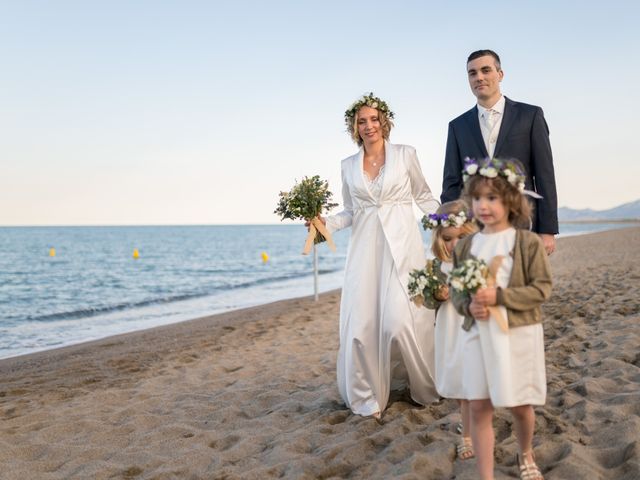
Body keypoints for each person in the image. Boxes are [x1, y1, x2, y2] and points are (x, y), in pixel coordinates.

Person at [316, 92, 440, 418]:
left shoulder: (405, 154)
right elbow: (349, 211)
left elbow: (424, 196)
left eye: (373, 119)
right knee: (362, 326)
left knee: (400, 322)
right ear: (354, 128)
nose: (368, 126)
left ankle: (422, 385)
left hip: (403, 250)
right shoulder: (347, 166)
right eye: (361, 121)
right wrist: (322, 224)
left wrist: (448, 224)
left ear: (384, 121)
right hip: (365, 254)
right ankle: (366, 397)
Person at [451, 157, 552, 480]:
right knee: (480, 406)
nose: (483, 205)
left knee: (520, 405)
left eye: (492, 198)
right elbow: (456, 291)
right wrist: (469, 306)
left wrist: (501, 298)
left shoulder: (526, 243)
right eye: (478, 198)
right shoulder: (466, 246)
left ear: (511, 200)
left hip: (517, 335)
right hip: (477, 334)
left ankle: (525, 453)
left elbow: (541, 288)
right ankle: (486, 475)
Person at [441, 49, 558, 255]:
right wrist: (454, 227)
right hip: (476, 229)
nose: (479, 77)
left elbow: (545, 176)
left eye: (486, 70)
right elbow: (451, 184)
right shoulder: (457, 127)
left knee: (521, 285)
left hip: (523, 224)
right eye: (473, 73)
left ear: (500, 74)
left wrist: (547, 230)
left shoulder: (530, 116)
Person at [423, 200, 478, 460]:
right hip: (449, 328)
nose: (454, 244)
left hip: (473, 326)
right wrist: (438, 294)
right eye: (447, 238)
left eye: (460, 238)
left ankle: (468, 433)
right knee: (458, 381)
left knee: (473, 382)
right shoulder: (436, 266)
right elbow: (427, 300)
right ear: (438, 237)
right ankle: (468, 422)